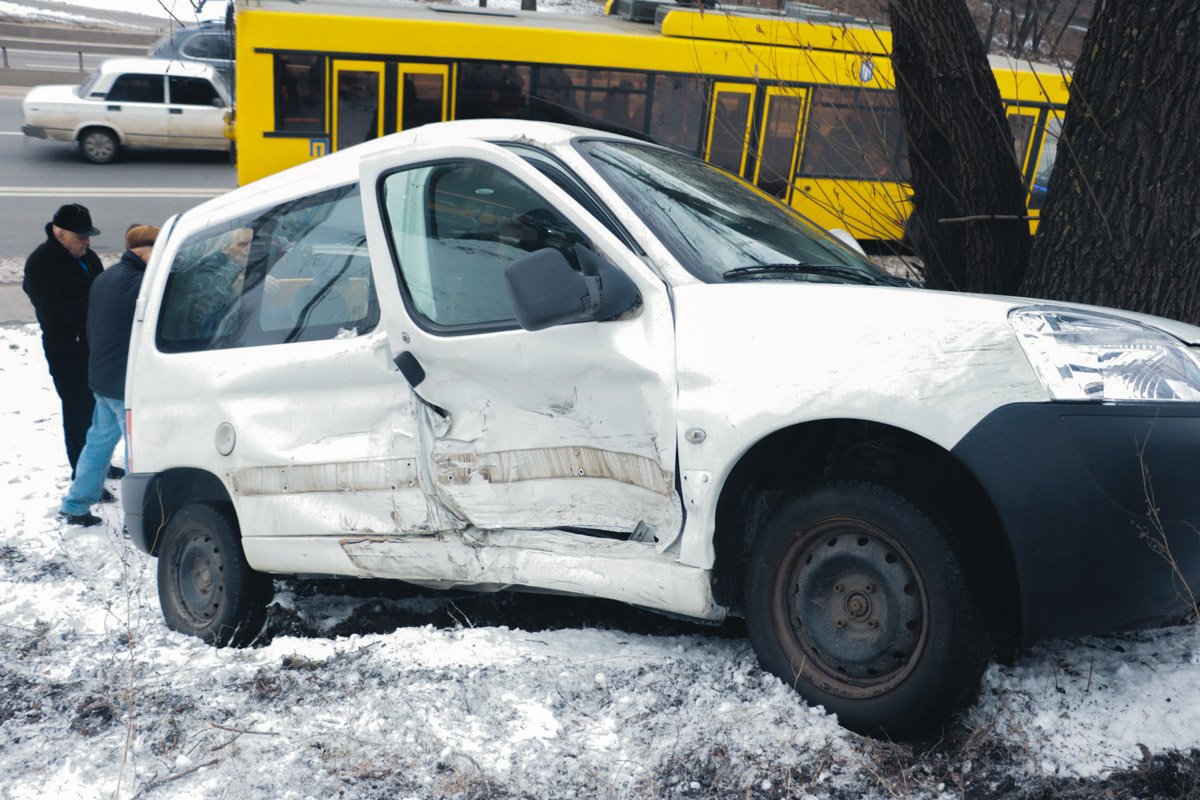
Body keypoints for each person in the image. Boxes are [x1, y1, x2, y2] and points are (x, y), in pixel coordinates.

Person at [58, 225, 161, 527]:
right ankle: (137, 520)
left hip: (101, 378)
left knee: (98, 445)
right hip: (123, 384)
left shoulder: (107, 277)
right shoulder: (141, 285)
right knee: (137, 454)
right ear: (143, 251)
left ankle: (75, 505)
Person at [23, 203, 104, 480]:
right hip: (67, 353)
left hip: (95, 347)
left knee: (98, 412)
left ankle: (99, 464)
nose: (87, 241)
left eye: (88, 236)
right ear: (60, 234)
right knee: (78, 413)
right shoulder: (40, 264)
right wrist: (94, 300)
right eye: (81, 236)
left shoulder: (88, 257)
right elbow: (53, 313)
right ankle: (83, 475)